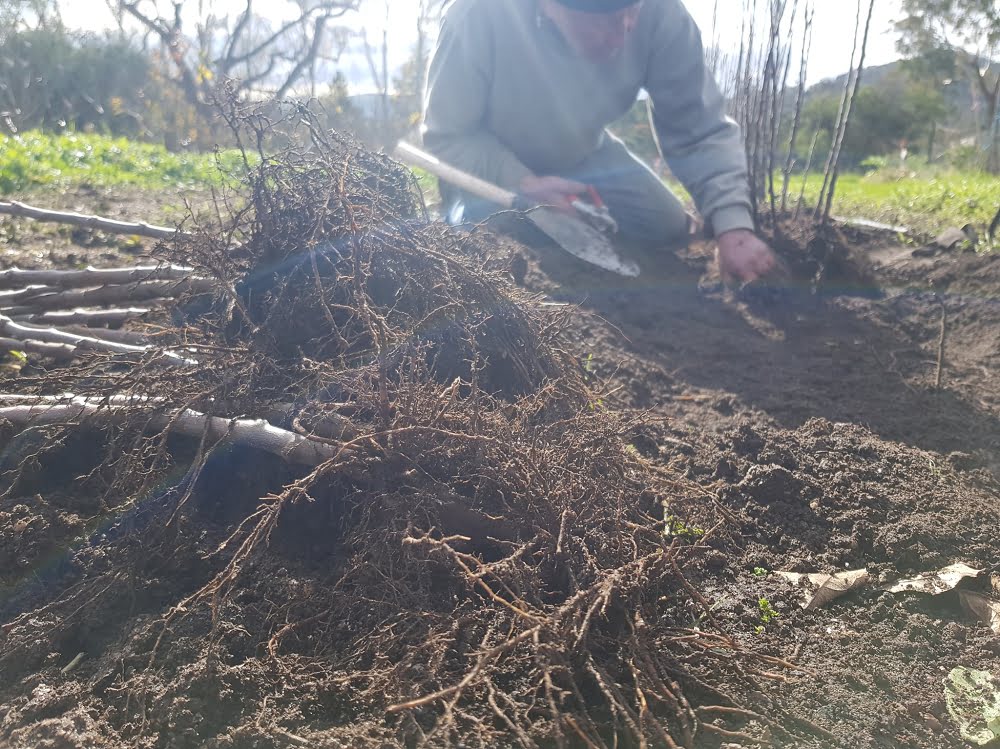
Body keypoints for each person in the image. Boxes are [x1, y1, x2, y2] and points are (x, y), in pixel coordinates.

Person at [422, 0, 777, 284]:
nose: (623, 32)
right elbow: (448, 137)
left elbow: (699, 128)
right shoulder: (475, 16)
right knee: (489, 240)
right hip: (492, 174)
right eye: (603, 20)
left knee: (667, 226)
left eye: (631, 11)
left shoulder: (662, 13)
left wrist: (734, 226)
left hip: (582, 155)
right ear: (549, 6)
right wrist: (523, 183)